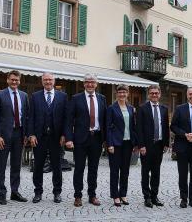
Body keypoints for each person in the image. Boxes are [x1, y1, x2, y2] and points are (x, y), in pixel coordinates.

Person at [65, 74, 106, 207]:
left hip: (97, 138)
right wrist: (69, 138)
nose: (90, 84)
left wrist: (106, 139)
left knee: (93, 169)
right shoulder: (76, 98)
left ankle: (92, 195)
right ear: (84, 84)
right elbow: (69, 120)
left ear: (96, 84)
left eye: (92, 82)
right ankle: (78, 196)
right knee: (79, 169)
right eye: (87, 82)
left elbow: (104, 120)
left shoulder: (102, 99)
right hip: (80, 139)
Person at [27, 72, 67, 204]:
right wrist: (31, 134)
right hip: (39, 137)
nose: (48, 82)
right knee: (38, 166)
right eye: (45, 80)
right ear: (42, 81)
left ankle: (57, 192)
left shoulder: (63, 96)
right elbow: (30, 117)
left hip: (56, 137)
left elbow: (66, 118)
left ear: (54, 81)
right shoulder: (35, 96)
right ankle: (38, 192)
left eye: (50, 80)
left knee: (57, 166)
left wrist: (64, 135)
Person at [0, 70, 29, 205]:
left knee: (16, 165)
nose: (14, 82)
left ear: (19, 81)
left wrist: (26, 134)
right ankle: (2, 194)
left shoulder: (24, 95)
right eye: (12, 79)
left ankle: (15, 192)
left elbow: (26, 116)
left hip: (19, 135)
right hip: (3, 136)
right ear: (7, 80)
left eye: (17, 80)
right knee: (1, 166)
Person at [136, 84, 169, 208]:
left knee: (156, 172)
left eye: (156, 93)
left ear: (159, 94)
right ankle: (147, 197)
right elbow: (138, 128)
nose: (154, 95)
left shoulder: (164, 108)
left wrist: (166, 143)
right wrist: (141, 145)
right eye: (152, 93)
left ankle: (155, 196)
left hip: (159, 145)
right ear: (149, 94)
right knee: (145, 172)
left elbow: (165, 127)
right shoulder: (142, 108)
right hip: (146, 146)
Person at [106, 84, 137, 207]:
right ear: (116, 94)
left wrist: (135, 143)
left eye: (124, 92)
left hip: (128, 143)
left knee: (125, 171)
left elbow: (133, 127)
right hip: (116, 144)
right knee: (115, 171)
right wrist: (109, 144)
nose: (122, 94)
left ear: (127, 94)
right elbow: (108, 127)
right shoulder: (111, 108)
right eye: (120, 92)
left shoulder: (131, 108)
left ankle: (123, 194)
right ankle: (115, 196)